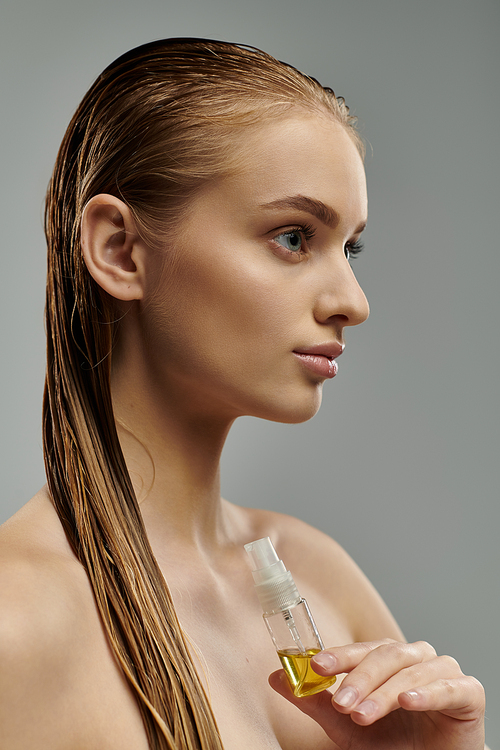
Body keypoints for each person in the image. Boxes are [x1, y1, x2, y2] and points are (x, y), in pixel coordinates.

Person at [0, 38, 487, 750]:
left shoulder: (319, 575)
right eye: (293, 237)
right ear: (118, 249)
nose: (353, 301)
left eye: (349, 247)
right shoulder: (16, 620)